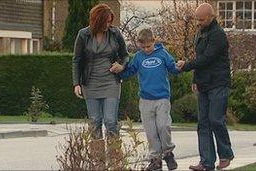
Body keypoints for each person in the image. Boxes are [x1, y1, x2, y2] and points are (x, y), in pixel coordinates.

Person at [110, 28, 179, 171]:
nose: (146, 49)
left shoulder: (163, 54)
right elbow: (129, 71)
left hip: (162, 98)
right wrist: (119, 72)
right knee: (151, 132)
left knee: (163, 126)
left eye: (149, 46)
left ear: (154, 41)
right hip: (146, 100)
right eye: (143, 47)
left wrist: (180, 66)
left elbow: (173, 68)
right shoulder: (138, 57)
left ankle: (168, 152)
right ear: (139, 45)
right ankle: (155, 160)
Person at [177, 3, 234, 171]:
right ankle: (206, 162)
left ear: (211, 17)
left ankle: (226, 154)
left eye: (202, 19)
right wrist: (195, 79)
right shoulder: (200, 33)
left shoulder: (218, 35)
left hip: (218, 82)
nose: (199, 22)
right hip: (204, 83)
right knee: (203, 123)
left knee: (216, 119)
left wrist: (185, 65)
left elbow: (207, 58)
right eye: (197, 19)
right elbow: (200, 58)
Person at [72, 3, 129, 139]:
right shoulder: (83, 34)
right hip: (90, 83)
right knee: (95, 121)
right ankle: (98, 159)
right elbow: (76, 60)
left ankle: (115, 157)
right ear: (97, 20)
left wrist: (121, 66)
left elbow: (125, 55)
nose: (108, 24)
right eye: (106, 21)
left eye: (110, 21)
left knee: (110, 121)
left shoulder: (115, 33)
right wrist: (76, 83)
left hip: (111, 82)